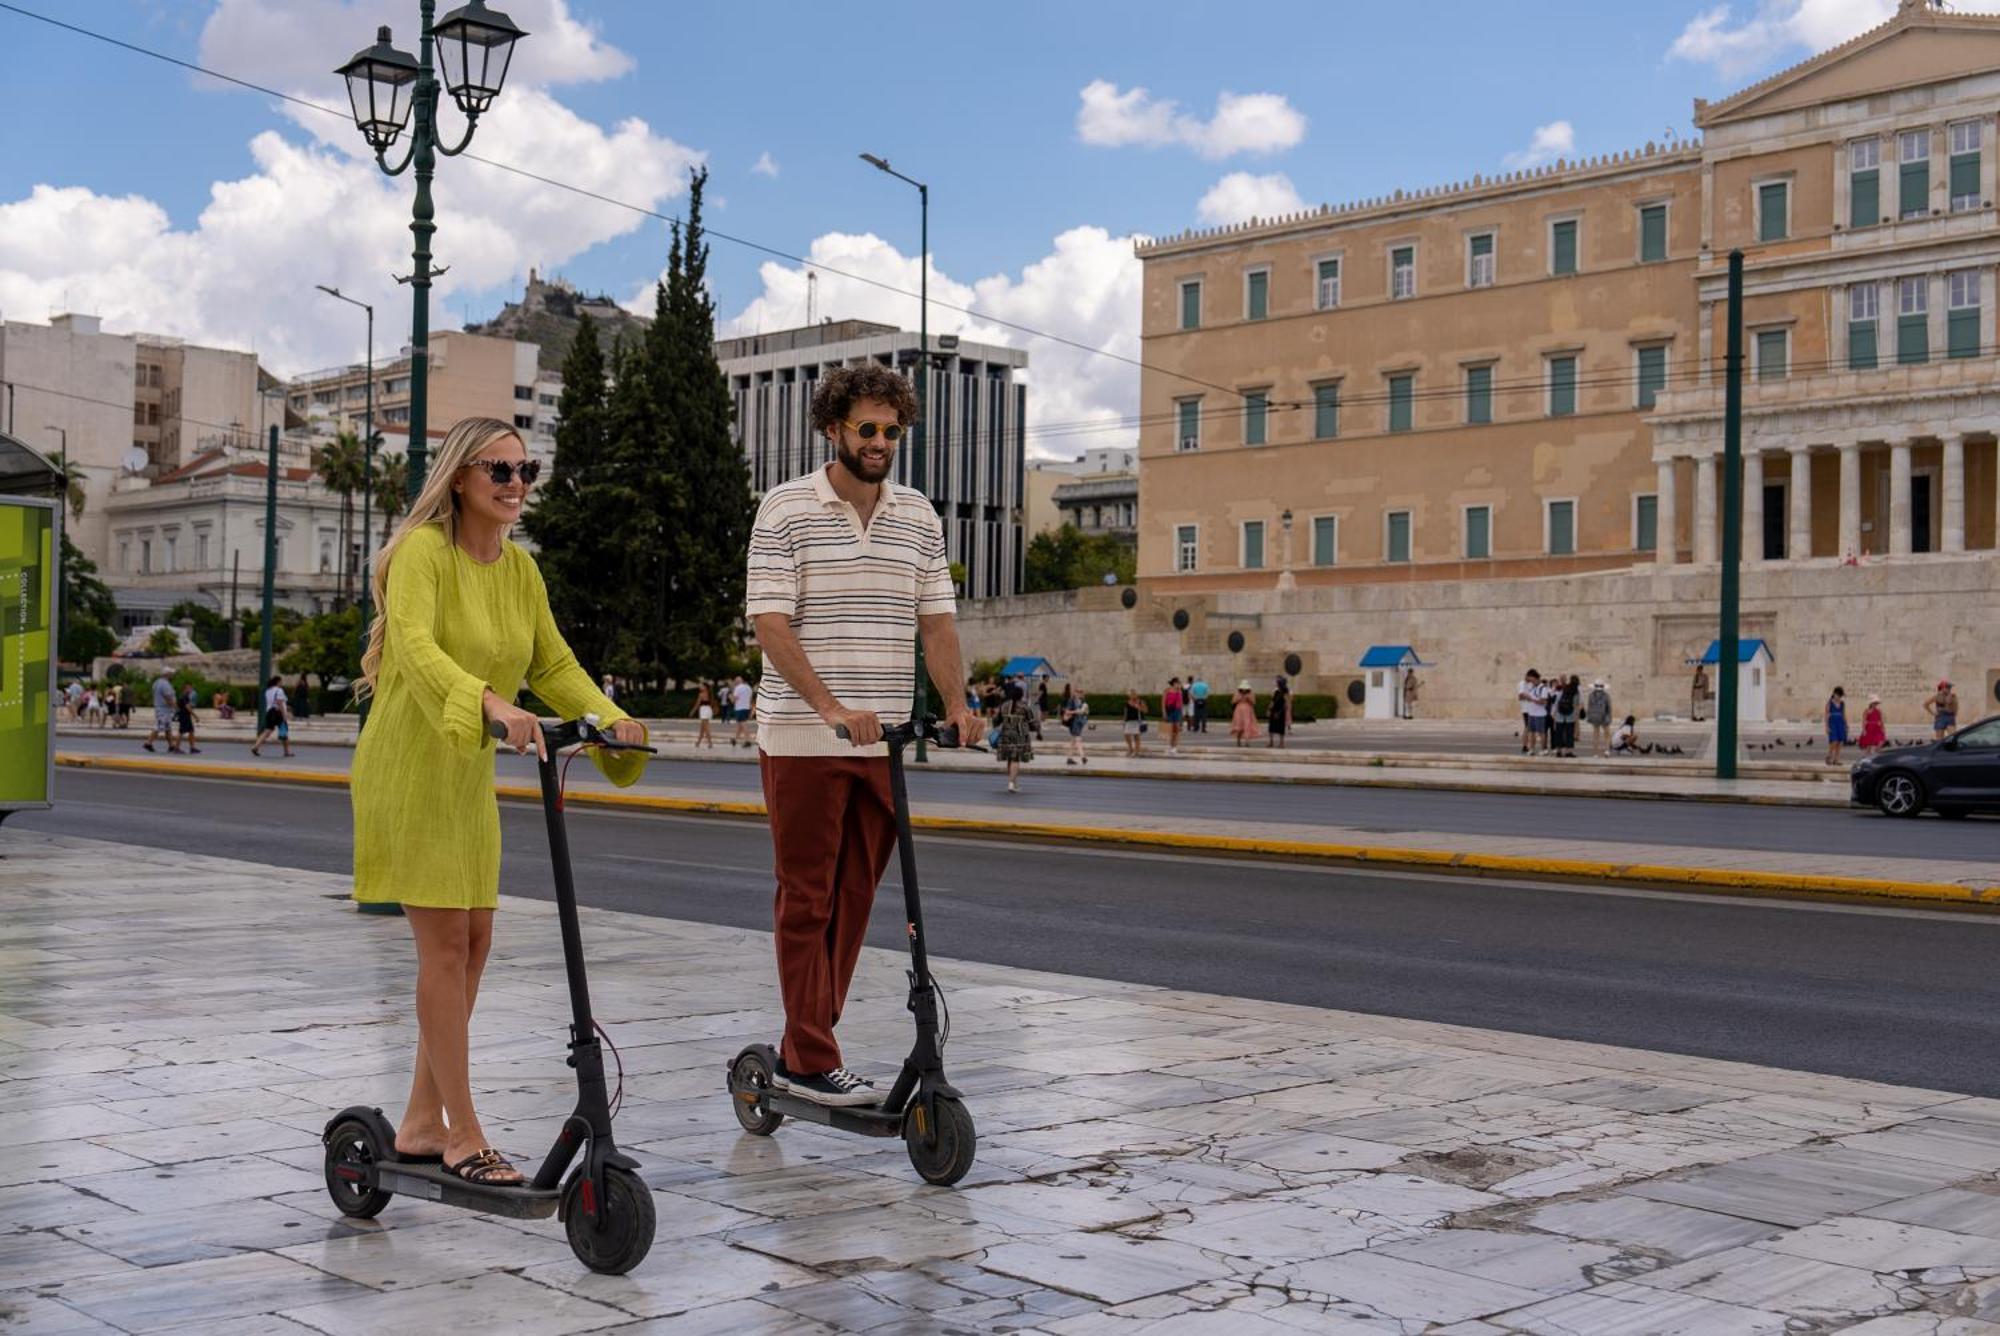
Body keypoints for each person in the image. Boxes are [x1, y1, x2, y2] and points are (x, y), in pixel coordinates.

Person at [351, 416, 646, 1183]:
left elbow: (553, 661)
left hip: (465, 774)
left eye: (527, 472)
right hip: (410, 767)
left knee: (474, 944)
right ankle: (463, 1133)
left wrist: (612, 720)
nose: (517, 486)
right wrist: (489, 704)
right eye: (500, 471)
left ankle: (419, 1119)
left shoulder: (520, 571)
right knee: (445, 947)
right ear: (460, 478)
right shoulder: (424, 554)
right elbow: (416, 649)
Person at [746, 364, 980, 1108]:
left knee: (853, 895)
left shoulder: (918, 516)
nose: (880, 442)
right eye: (867, 429)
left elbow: (936, 621)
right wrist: (829, 708)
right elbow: (771, 625)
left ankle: (803, 1042)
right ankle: (811, 1056)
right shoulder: (786, 508)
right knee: (807, 896)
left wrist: (958, 704)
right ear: (833, 428)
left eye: (891, 431)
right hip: (804, 739)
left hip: (881, 743)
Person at [994, 682, 1038, 793]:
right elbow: (1032, 723)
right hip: (1020, 737)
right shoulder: (1024, 707)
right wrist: (1036, 730)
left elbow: (996, 720)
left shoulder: (1004, 705)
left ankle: (1013, 782)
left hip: (1005, 735)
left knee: (1010, 759)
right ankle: (1011, 783)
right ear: (1021, 695)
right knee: (1015, 759)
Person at [251, 675, 293, 758]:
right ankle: (287, 751)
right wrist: (284, 714)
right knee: (283, 731)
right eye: (281, 682)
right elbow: (279, 702)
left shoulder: (268, 691)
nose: (282, 683)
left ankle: (255, 746)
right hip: (278, 712)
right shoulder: (279, 690)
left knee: (267, 731)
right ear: (277, 682)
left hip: (269, 712)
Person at [142, 670, 179, 754]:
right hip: (164, 709)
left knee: (167, 727)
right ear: (167, 674)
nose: (172, 675)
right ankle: (148, 743)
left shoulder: (156, 682)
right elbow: (167, 697)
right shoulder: (165, 684)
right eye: (171, 674)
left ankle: (171, 745)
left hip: (161, 707)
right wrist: (175, 707)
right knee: (159, 726)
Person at [1518, 669, 1548, 755]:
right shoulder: (1532, 687)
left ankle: (1543, 749)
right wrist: (1525, 697)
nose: (1531, 682)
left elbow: (1543, 702)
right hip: (1531, 713)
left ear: (1536, 678)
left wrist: (1531, 699)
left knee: (1541, 733)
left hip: (1540, 714)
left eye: (1532, 680)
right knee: (1531, 732)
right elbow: (1523, 698)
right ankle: (1532, 749)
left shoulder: (1543, 688)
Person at [1551, 674, 1580, 758]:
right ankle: (1569, 751)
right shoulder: (1575, 691)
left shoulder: (1563, 689)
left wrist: (1554, 713)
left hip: (1560, 715)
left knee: (1559, 733)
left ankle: (1559, 751)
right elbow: (1576, 705)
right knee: (1569, 734)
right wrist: (1576, 717)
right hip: (1570, 716)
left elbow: (1557, 702)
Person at [1060, 684, 1089, 765]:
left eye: (1081, 692)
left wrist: (1083, 712)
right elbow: (1067, 711)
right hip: (1074, 723)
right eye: (1078, 691)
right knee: (1078, 739)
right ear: (1074, 692)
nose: (1079, 693)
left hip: (1080, 723)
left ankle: (1069, 758)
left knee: (1073, 741)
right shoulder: (1072, 700)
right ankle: (1083, 757)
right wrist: (1074, 712)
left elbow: (1084, 712)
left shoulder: (1082, 701)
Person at [1584, 679, 1613, 758]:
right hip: (1604, 716)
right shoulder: (1606, 695)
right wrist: (1610, 717)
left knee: (1596, 735)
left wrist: (1589, 717)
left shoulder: (1591, 695)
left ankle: (1595, 753)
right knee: (1607, 734)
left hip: (1594, 717)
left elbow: (1589, 707)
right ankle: (1606, 750)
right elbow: (1609, 707)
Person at [1230, 680, 1261, 745]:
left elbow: (1254, 702)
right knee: (1239, 725)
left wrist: (1249, 699)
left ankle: (1247, 741)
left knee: (1247, 725)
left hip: (1248, 710)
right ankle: (1238, 740)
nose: (1244, 690)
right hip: (1239, 710)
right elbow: (1233, 702)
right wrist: (1239, 698)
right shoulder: (1237, 693)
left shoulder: (1251, 693)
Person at [1825, 685, 1849, 766]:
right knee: (1834, 741)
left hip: (1840, 723)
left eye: (1840, 696)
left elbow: (1843, 714)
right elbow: (1826, 715)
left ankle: (1836, 759)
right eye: (1838, 695)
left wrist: (1846, 724)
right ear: (1834, 694)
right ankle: (1829, 755)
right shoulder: (1829, 703)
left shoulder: (1842, 703)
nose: (1839, 697)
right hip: (1832, 723)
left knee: (1840, 742)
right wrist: (1827, 726)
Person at [176, 682, 201, 754]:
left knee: (191, 731)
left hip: (185, 715)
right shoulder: (184, 696)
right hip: (184, 716)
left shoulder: (184, 696)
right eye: (189, 688)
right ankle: (177, 748)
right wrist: (195, 716)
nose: (191, 690)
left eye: (191, 688)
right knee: (181, 732)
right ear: (185, 688)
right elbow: (188, 707)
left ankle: (192, 748)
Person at [729, 675, 754, 747]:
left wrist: (730, 696)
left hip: (739, 708)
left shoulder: (737, 688)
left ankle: (748, 741)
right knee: (740, 725)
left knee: (743, 725)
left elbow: (733, 700)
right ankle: (734, 739)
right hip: (746, 708)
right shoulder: (748, 687)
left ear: (737, 681)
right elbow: (750, 698)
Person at [1267, 675, 1292, 749]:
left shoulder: (1285, 693)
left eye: (1277, 682)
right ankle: (1271, 742)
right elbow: (1272, 701)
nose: (1276, 683)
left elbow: (1287, 703)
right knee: (1271, 727)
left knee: (1281, 727)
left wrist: (1280, 712)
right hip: (1274, 710)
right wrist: (1269, 709)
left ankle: (1282, 743)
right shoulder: (1276, 692)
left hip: (1281, 712)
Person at [1162, 677, 1185, 756]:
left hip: (1177, 711)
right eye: (1177, 683)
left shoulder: (1179, 691)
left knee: (1176, 730)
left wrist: (1182, 714)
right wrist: (1164, 712)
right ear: (1174, 683)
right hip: (1169, 711)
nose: (1178, 684)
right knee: (1170, 730)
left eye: (1179, 683)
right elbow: (1163, 702)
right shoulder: (1167, 690)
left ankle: (1175, 747)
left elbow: (1181, 703)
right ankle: (1170, 746)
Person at [692, 683, 717, 749]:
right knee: (702, 728)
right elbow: (712, 703)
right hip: (708, 710)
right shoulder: (710, 694)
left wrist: (692, 712)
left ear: (705, 687)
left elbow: (697, 704)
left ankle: (710, 743)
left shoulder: (701, 694)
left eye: (701, 686)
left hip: (704, 711)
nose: (700, 687)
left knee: (706, 728)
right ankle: (698, 742)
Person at [1123, 688, 1146, 756]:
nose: (1133, 695)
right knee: (1126, 735)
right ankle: (1130, 749)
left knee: (1136, 736)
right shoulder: (1127, 703)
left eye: (1134, 694)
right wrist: (1124, 721)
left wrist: (1138, 707)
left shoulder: (1140, 702)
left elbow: (1145, 710)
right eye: (1131, 694)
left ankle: (1137, 751)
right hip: (1129, 721)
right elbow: (1125, 713)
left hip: (1137, 721)